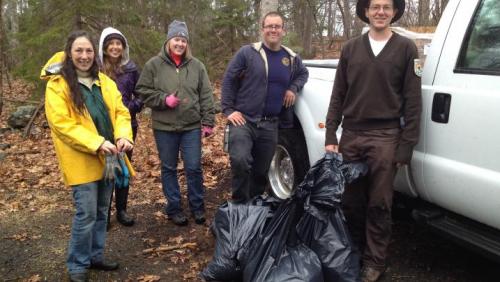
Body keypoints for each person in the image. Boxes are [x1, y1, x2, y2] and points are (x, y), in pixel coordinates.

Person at [324, 0, 422, 281]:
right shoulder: (350, 48)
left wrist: (407, 145)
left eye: (386, 7)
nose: (380, 12)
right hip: (352, 135)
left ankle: (375, 261)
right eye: (375, 7)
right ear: (366, 12)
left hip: (386, 136)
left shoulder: (406, 49)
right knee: (350, 200)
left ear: (393, 12)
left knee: (379, 202)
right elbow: (338, 94)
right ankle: (352, 251)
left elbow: (413, 101)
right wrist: (332, 132)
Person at [41, 30, 135, 282]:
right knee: (87, 213)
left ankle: (96, 256)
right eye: (79, 51)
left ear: (95, 54)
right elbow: (62, 124)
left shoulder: (105, 81)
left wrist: (124, 136)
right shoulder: (58, 85)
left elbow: (122, 112)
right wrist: (96, 143)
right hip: (81, 159)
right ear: (69, 54)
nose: (84, 56)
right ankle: (77, 265)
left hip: (110, 157)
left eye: (88, 51)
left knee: (103, 210)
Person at [221, 11, 308, 203]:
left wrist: (293, 88)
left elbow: (303, 74)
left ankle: (255, 206)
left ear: (283, 30)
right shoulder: (247, 53)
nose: (273, 30)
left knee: (262, 169)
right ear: (262, 29)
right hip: (244, 120)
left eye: (277, 26)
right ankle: (238, 206)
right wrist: (228, 109)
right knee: (241, 161)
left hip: (271, 124)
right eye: (269, 26)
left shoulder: (291, 58)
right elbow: (229, 79)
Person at [136, 20, 215, 226]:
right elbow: (142, 90)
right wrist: (163, 100)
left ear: (187, 43)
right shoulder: (154, 64)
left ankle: (197, 207)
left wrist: (208, 121)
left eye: (183, 40)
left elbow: (206, 94)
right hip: (165, 127)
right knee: (169, 168)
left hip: (191, 126)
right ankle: (174, 208)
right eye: (176, 39)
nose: (180, 43)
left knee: (194, 167)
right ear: (169, 41)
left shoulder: (197, 66)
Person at [98, 27, 142, 228]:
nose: (115, 47)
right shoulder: (95, 68)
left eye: (119, 44)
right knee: (105, 171)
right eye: (111, 44)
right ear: (105, 47)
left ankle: (121, 210)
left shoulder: (131, 69)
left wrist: (130, 107)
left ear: (123, 47)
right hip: (101, 128)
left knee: (122, 169)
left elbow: (142, 94)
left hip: (127, 126)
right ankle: (103, 212)